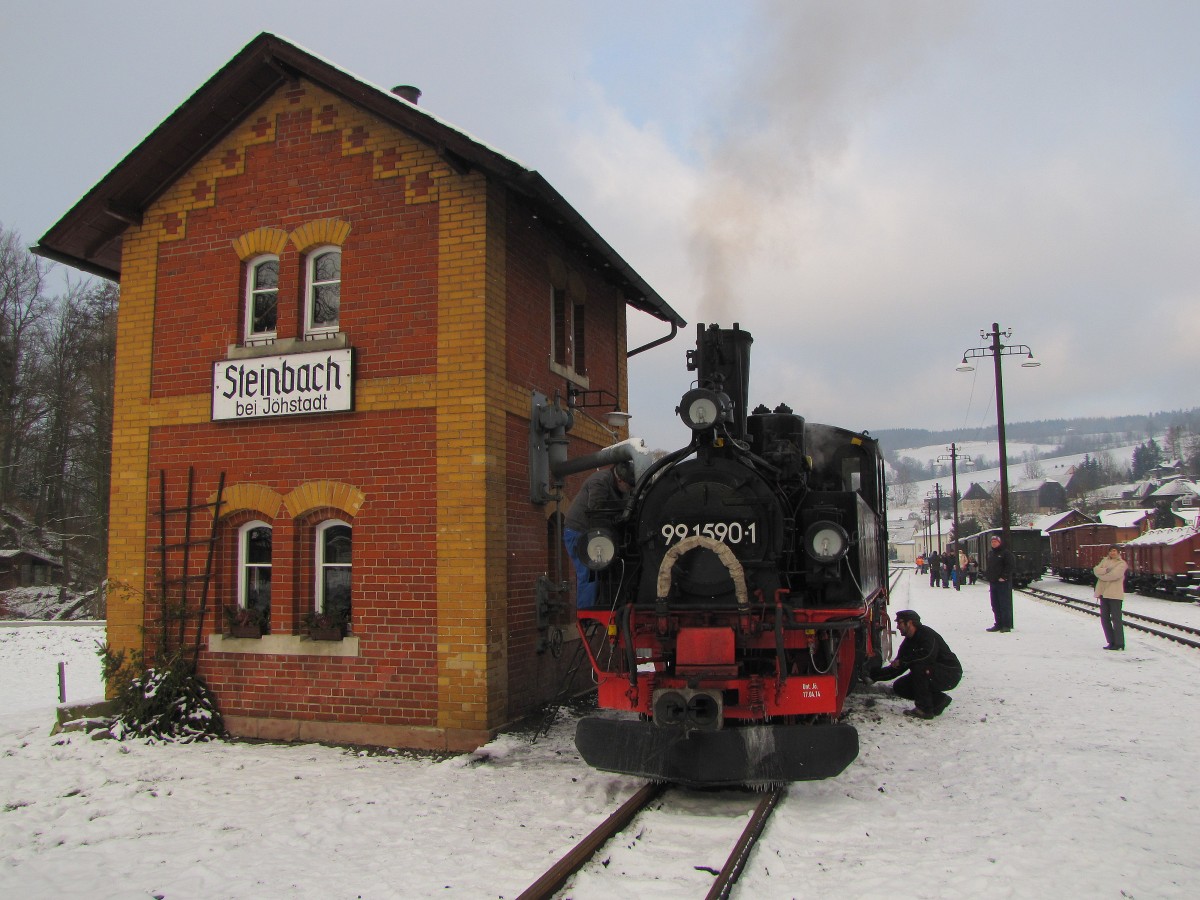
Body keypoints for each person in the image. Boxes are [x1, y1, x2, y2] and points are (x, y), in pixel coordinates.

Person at [563, 462, 634, 609]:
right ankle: (585, 614)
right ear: (620, 479)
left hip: (594, 534)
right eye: (629, 486)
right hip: (579, 531)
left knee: (602, 572)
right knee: (589, 572)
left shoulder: (618, 484)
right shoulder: (599, 482)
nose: (630, 489)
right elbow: (596, 512)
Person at [870, 610, 963, 719]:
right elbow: (897, 668)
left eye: (899, 623)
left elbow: (926, 656)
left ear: (909, 623)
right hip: (930, 673)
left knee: (920, 668)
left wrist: (904, 661)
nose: (898, 627)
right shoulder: (908, 643)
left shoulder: (927, 635)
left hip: (949, 673)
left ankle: (925, 710)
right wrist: (873, 675)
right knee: (900, 686)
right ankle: (938, 700)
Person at [1093, 545, 1129, 651]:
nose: (1112, 553)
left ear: (1118, 552)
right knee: (1104, 619)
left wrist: (1102, 574)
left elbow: (1114, 575)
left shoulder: (1122, 564)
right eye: (1111, 551)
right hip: (1103, 593)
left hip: (1115, 595)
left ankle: (1120, 643)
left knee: (1116, 619)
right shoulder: (1104, 561)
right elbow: (1095, 570)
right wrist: (1105, 571)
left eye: (1114, 551)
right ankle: (1111, 641)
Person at [986, 534, 1016, 632]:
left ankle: (1006, 625)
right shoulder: (991, 554)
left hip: (1003, 583)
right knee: (995, 604)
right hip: (993, 582)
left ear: (999, 542)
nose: (993, 543)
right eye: (992, 542)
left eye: (995, 542)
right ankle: (998, 624)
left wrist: (1004, 577)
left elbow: (1010, 565)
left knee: (1004, 604)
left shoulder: (1005, 553)